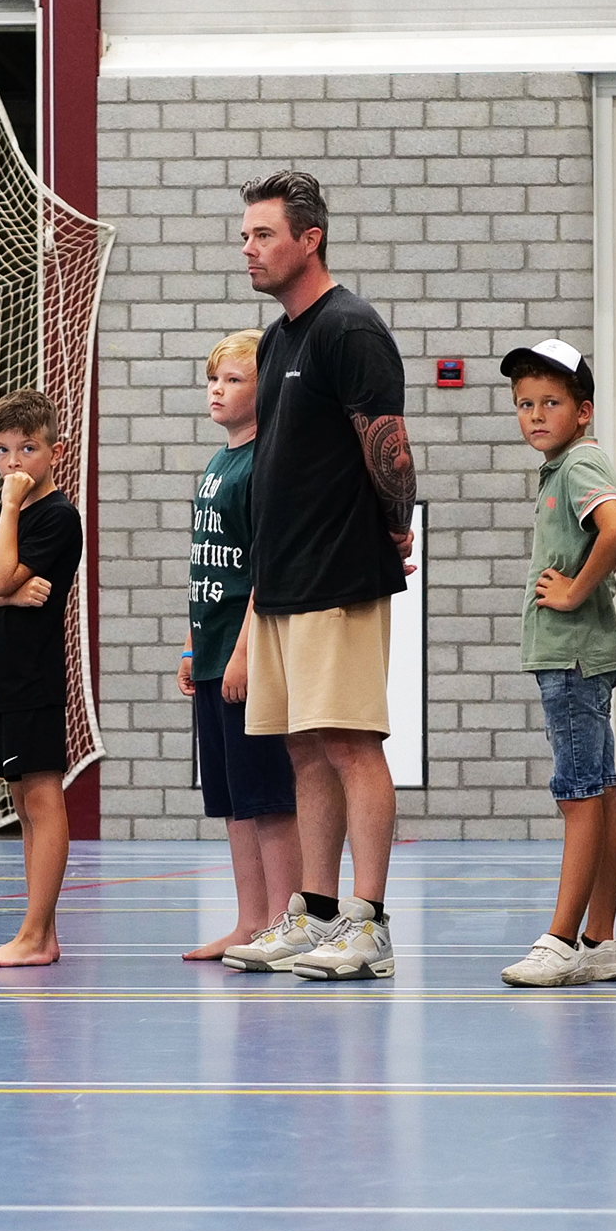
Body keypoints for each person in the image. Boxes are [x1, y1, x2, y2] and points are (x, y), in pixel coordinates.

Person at [212, 170, 416, 983]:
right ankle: (315, 912)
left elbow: (389, 447)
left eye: (263, 235)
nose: (249, 250)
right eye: (244, 237)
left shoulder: (349, 329)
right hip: (283, 580)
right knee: (301, 750)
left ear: (309, 239)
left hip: (338, 576)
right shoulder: (278, 339)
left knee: (349, 743)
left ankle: (368, 925)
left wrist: (394, 526)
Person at [495, 340, 616, 988]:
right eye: (524, 404)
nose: (534, 415)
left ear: (582, 411)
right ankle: (599, 942)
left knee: (579, 796)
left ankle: (559, 940)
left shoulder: (579, 466)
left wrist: (574, 591)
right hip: (578, 656)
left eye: (550, 402)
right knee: (600, 793)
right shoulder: (565, 466)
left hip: (572, 657)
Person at [180, 332, 303, 961]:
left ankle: (285, 918)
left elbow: (262, 569)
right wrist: (190, 645)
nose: (217, 391)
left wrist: (244, 651)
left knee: (268, 797)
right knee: (232, 801)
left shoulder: (261, 462)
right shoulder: (217, 463)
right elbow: (208, 566)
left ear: (264, 389)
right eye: (213, 381)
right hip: (210, 651)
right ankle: (250, 918)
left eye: (232, 381)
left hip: (245, 654)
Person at [0, 389, 87, 968]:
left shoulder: (55, 517)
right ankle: (41, 932)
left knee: (41, 795)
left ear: (53, 452)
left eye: (27, 449)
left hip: (30, 678)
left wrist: (9, 517)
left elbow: (5, 574)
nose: (13, 463)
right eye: (3, 450)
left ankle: (35, 936)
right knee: (21, 801)